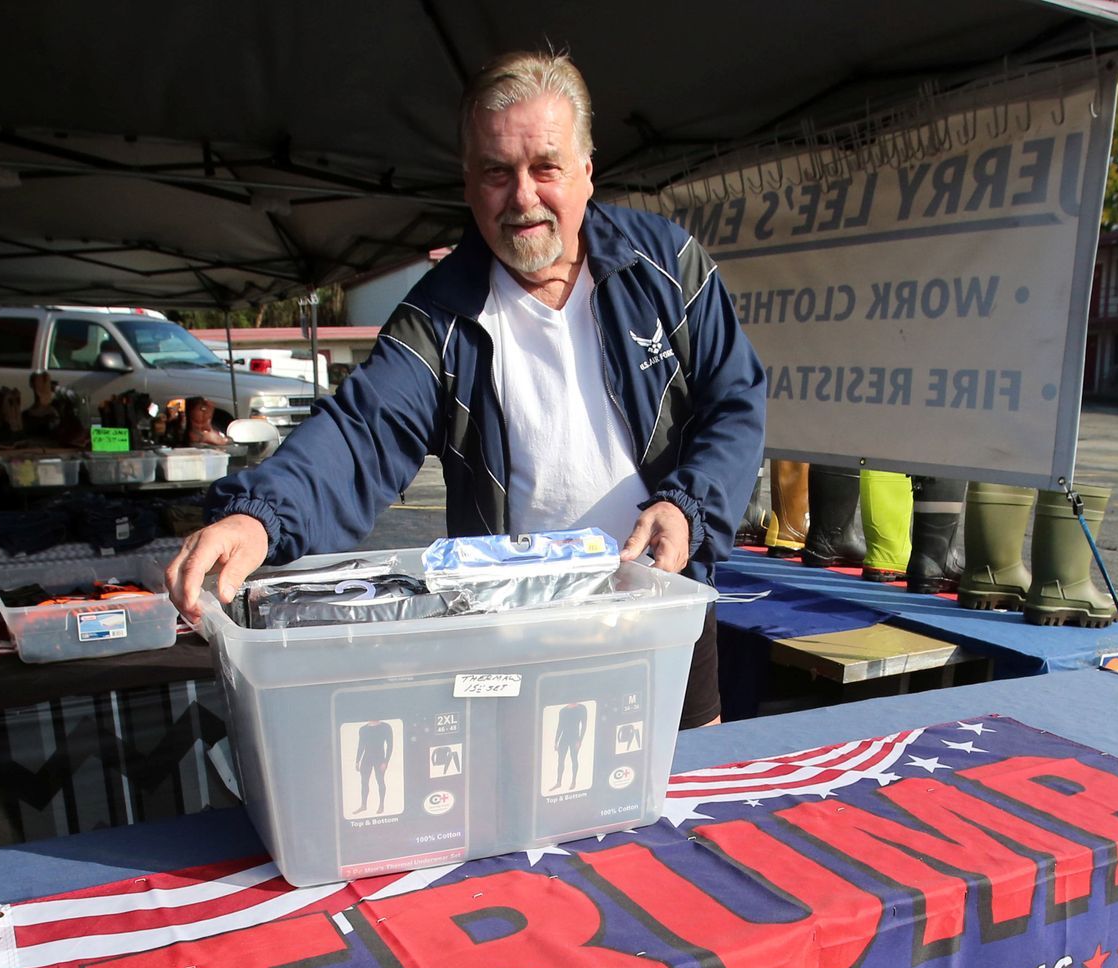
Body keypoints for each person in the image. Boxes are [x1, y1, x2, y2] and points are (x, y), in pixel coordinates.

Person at [166, 50, 766, 727]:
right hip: (509, 629)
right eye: (496, 173)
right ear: (467, 182)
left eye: (545, 166)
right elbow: (359, 433)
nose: (523, 197)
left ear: (586, 171)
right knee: (528, 813)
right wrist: (258, 515)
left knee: (681, 799)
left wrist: (687, 507)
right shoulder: (439, 317)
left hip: (664, 609)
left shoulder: (668, 268)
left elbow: (735, 401)